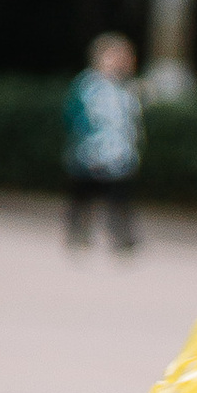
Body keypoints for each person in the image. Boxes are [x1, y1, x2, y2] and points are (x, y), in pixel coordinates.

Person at [63, 32, 141, 249]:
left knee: (120, 196)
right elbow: (75, 115)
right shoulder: (88, 85)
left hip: (119, 154)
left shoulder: (125, 88)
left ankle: (121, 235)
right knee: (82, 195)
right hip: (89, 152)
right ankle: (78, 233)